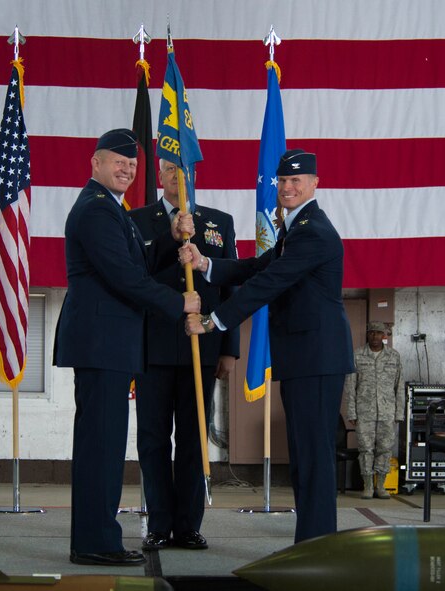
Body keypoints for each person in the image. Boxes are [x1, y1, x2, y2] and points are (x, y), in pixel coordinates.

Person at [182, 149, 354, 543]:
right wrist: (207, 265)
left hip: (317, 359)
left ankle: (317, 545)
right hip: (305, 358)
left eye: (297, 181)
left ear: (314, 184)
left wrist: (215, 321)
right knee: (305, 457)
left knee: (313, 458)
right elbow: (259, 267)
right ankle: (311, 541)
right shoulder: (296, 228)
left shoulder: (312, 230)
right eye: (284, 182)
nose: (288, 188)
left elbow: (268, 283)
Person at [53, 129, 200, 566]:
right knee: (101, 446)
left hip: (111, 347)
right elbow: (124, 277)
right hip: (102, 346)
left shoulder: (113, 211)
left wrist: (171, 239)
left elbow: (138, 263)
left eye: (132, 164)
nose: (126, 168)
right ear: (95, 163)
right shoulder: (96, 211)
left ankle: (96, 537)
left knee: (106, 445)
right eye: (117, 161)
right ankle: (96, 543)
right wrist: (180, 303)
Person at [129, 159, 240, 551]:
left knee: (194, 440)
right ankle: (159, 523)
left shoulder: (218, 221)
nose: (178, 178)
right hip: (153, 348)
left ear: (195, 175)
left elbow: (229, 286)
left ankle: (189, 525)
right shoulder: (139, 220)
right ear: (159, 176)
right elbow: (134, 277)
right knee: (153, 439)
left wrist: (229, 348)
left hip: (202, 347)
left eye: (185, 171)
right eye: (170, 171)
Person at [343, 321, 403, 500]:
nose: (375, 336)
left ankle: (381, 486)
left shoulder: (394, 356)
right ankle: (368, 486)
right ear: (367, 334)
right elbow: (350, 385)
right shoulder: (357, 355)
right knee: (366, 449)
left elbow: (399, 386)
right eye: (372, 333)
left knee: (385, 449)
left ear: (384, 335)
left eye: (379, 333)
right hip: (364, 412)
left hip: (387, 412)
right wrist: (352, 412)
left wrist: (399, 413)